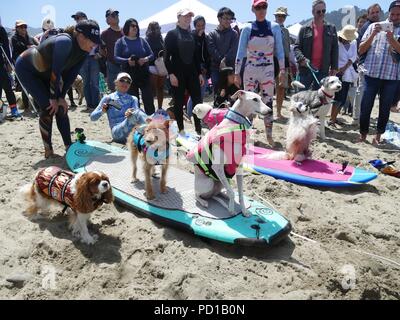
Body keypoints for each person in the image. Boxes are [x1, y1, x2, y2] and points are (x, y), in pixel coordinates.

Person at [15, 20, 101, 158]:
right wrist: (54, 98)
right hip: (26, 68)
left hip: (46, 73)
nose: (94, 45)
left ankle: (68, 146)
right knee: (48, 106)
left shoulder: (84, 52)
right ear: (80, 36)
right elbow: (56, 71)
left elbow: (70, 76)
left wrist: (61, 98)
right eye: (92, 40)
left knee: (61, 108)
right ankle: (48, 150)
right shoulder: (64, 42)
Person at [235, 0, 285, 146]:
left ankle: (269, 136)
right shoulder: (247, 28)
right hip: (250, 70)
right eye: (258, 7)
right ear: (253, 9)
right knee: (248, 104)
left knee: (268, 102)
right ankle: (246, 135)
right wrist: (237, 72)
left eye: (264, 6)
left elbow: (280, 51)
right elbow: (240, 52)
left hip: (268, 71)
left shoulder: (274, 27)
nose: (261, 10)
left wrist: (282, 70)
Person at [358, 1, 400, 144]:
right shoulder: (372, 26)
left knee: (385, 108)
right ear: (388, 12)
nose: (394, 17)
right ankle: (362, 135)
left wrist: (392, 39)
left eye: (398, 15)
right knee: (366, 105)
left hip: (391, 76)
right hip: (372, 72)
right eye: (392, 14)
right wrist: (373, 35)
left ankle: (378, 136)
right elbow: (361, 50)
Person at [164, 8, 203, 135]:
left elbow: (196, 57)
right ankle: (181, 131)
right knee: (179, 103)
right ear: (178, 18)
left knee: (198, 102)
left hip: (192, 74)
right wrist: (171, 74)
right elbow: (166, 57)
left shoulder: (193, 35)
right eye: (185, 16)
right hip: (177, 74)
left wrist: (200, 74)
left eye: (189, 16)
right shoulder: (171, 34)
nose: (188, 18)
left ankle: (198, 129)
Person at [90, 72, 148, 144]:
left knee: (158, 114)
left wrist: (130, 113)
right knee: (138, 113)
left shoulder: (133, 99)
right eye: (122, 80)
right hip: (117, 133)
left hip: (132, 131)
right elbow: (92, 117)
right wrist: (102, 111)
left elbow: (136, 115)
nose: (125, 83)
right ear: (116, 82)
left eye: (128, 81)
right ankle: (154, 133)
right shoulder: (108, 98)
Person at [294, 0, 338, 90]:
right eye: (318, 11)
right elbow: (296, 47)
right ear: (313, 12)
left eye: (323, 11)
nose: (321, 13)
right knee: (302, 98)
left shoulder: (331, 28)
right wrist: (301, 59)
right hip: (306, 69)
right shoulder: (304, 29)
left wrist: (334, 67)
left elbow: (335, 49)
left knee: (320, 101)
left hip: (323, 70)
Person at [114, 18, 155, 116]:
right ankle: (136, 122)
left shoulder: (142, 40)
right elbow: (115, 57)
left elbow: (152, 55)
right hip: (128, 73)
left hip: (143, 72)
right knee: (133, 100)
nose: (135, 28)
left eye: (136, 26)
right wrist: (127, 61)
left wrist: (145, 59)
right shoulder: (120, 41)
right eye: (132, 26)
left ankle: (151, 121)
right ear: (127, 27)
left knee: (148, 98)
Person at [353, 4, 382, 124]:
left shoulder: (374, 26)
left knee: (363, 91)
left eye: (377, 12)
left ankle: (358, 117)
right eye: (372, 12)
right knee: (362, 91)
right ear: (368, 14)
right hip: (365, 63)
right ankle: (357, 118)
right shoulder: (368, 26)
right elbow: (362, 48)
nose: (375, 14)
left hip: (370, 64)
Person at [329, 25, 358, 126]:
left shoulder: (354, 43)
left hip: (347, 74)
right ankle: (332, 118)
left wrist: (345, 68)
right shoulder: (337, 44)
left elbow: (353, 57)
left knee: (343, 98)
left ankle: (334, 117)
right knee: (337, 97)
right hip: (337, 73)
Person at [207, 7, 238, 95]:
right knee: (218, 94)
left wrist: (224, 60)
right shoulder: (212, 34)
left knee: (232, 95)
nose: (228, 21)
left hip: (231, 69)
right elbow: (212, 50)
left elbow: (233, 50)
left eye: (230, 19)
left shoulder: (234, 33)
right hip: (216, 69)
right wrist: (221, 61)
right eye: (226, 18)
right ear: (219, 19)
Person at [11, 20, 39, 112]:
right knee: (25, 86)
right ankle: (26, 107)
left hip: (33, 64)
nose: (23, 28)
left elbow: (38, 46)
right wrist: (28, 47)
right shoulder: (14, 38)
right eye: (21, 27)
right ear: (17, 28)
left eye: (25, 26)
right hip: (21, 65)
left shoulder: (30, 38)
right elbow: (17, 48)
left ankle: (37, 105)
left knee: (35, 85)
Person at [187, 15, 211, 117]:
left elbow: (207, 54)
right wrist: (198, 37)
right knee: (195, 94)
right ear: (194, 26)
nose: (201, 27)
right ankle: (190, 114)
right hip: (194, 69)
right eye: (198, 25)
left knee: (200, 94)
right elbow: (193, 53)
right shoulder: (191, 36)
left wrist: (207, 68)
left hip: (204, 68)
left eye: (203, 25)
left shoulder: (206, 37)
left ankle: (197, 115)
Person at [274, 7, 291, 120]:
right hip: (271, 59)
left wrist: (288, 63)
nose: (281, 18)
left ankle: (278, 112)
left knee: (281, 87)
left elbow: (288, 48)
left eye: (283, 16)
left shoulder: (286, 31)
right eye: (279, 15)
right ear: (275, 16)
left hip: (284, 60)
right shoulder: (270, 27)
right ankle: (265, 111)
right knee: (266, 87)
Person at [0, 17, 19, 117]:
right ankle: (1, 111)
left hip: (1, 64)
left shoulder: (1, 30)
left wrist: (8, 63)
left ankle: (14, 109)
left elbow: (7, 48)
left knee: (7, 86)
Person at [100, 9, 123, 92]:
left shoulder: (125, 31)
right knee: (113, 89)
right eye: (113, 15)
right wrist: (109, 57)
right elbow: (101, 49)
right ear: (107, 20)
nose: (116, 16)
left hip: (125, 64)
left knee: (126, 87)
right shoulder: (105, 33)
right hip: (112, 64)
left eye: (117, 15)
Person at [145, 21, 166, 110]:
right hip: (151, 65)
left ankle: (160, 108)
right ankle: (151, 108)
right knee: (152, 89)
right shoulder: (147, 39)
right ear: (151, 29)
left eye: (159, 27)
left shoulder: (161, 38)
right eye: (156, 28)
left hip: (161, 65)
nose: (158, 29)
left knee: (160, 88)